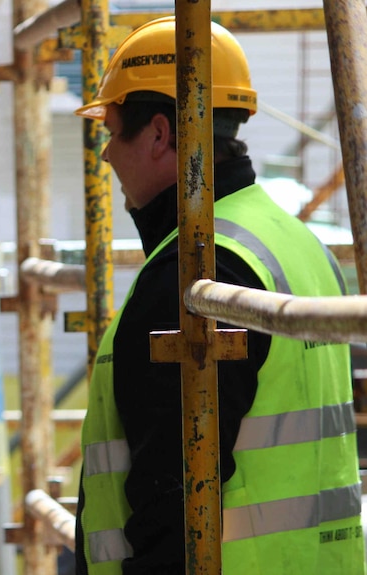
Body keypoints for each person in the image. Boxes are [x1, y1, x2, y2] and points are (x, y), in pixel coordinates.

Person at [72, 16, 363, 575]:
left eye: (112, 131)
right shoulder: (295, 242)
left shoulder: (195, 273)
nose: (105, 156)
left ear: (159, 134)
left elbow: (170, 508)